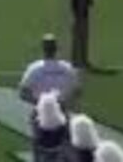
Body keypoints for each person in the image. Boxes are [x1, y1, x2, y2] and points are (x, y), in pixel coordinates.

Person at [18, 34, 81, 162]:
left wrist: (41, 103)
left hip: (40, 112)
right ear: (56, 48)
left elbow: (23, 93)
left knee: (39, 144)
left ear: (43, 48)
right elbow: (78, 91)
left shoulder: (35, 68)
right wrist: (63, 102)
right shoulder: (67, 68)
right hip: (61, 110)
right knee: (65, 144)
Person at [64, 0, 94, 68]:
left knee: (83, 41)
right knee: (76, 42)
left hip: (84, 21)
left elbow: (91, 2)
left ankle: (83, 60)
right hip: (77, 20)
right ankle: (75, 61)